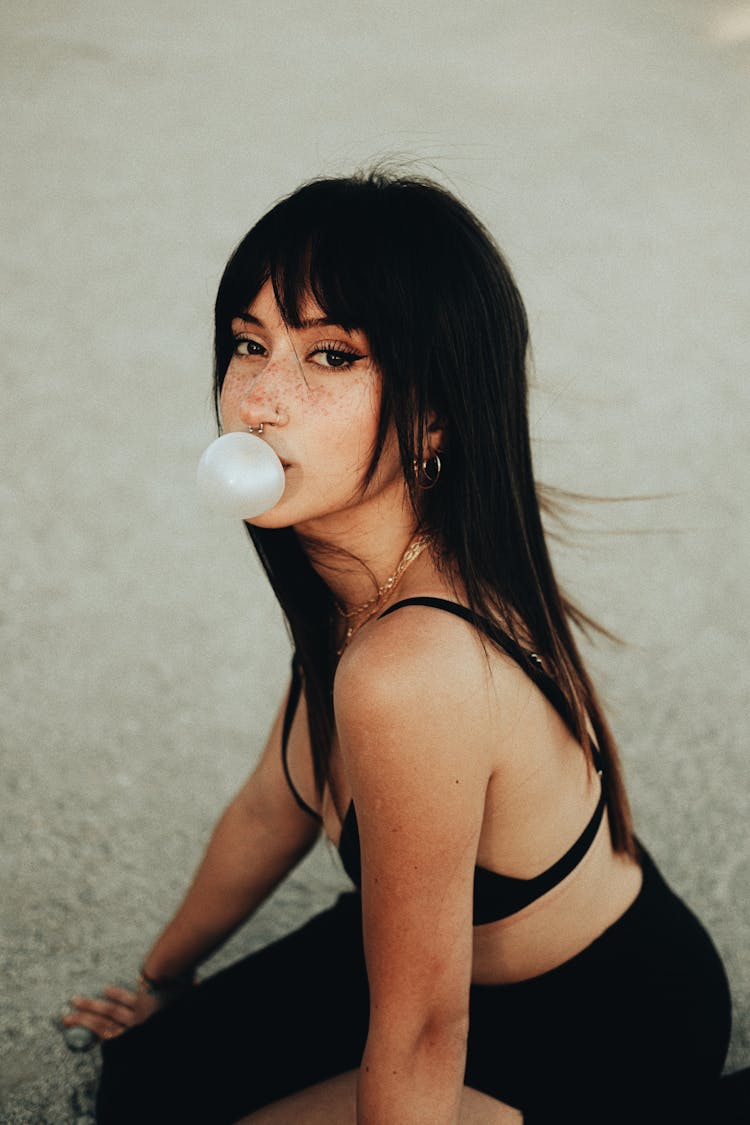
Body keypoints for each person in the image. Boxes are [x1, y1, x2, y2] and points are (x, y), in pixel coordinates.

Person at [63, 170, 733, 1123]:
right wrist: (166, 985)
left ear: (433, 413)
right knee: (146, 1086)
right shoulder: (359, 583)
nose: (259, 398)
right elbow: (272, 805)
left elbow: (420, 1032)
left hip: (595, 1023)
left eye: (332, 356)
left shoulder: (412, 666)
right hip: (454, 969)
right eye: (250, 344)